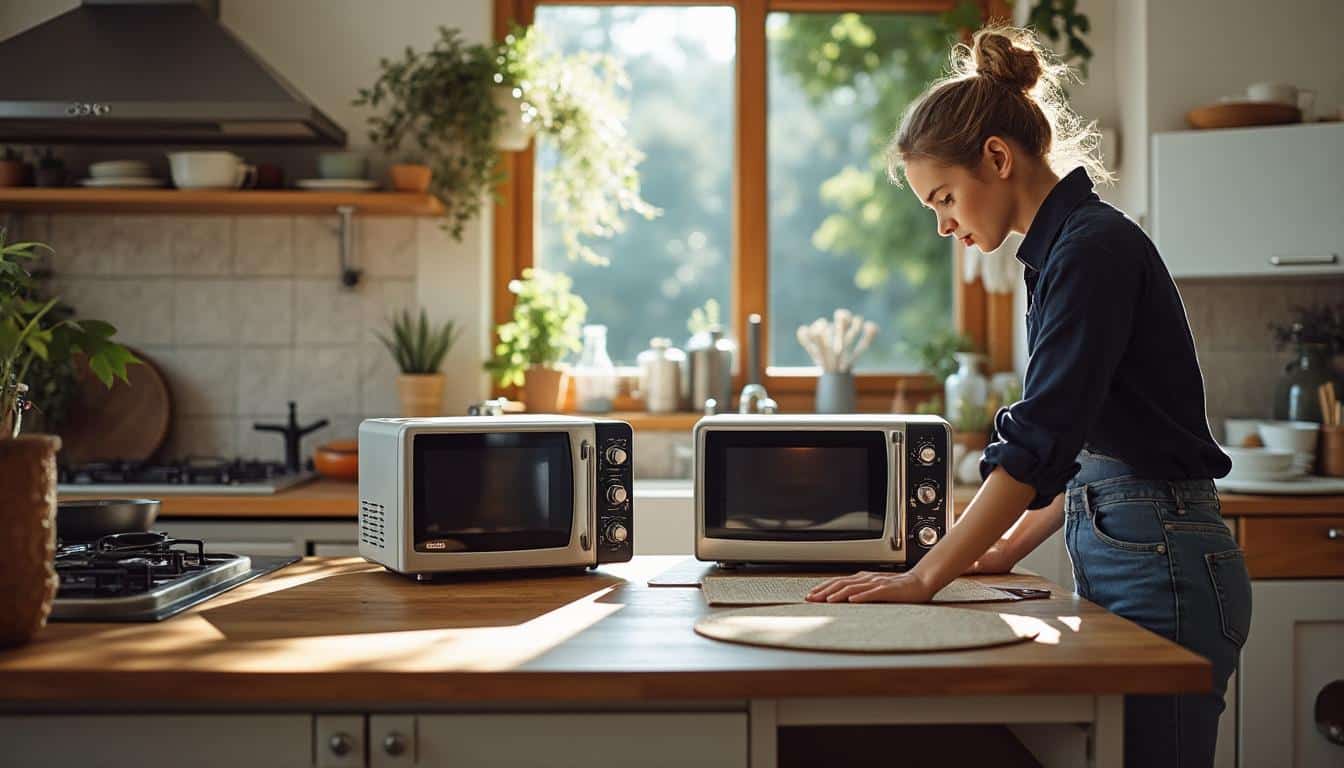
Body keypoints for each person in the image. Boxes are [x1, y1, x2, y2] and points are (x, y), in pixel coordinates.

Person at [805, 25, 1251, 767]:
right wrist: (1006, 547)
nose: (945, 224)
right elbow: (1084, 447)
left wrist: (924, 577)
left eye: (943, 198)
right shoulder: (1064, 251)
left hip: (1163, 557)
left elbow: (1040, 441)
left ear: (998, 158)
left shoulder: (1090, 250)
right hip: (1141, 547)